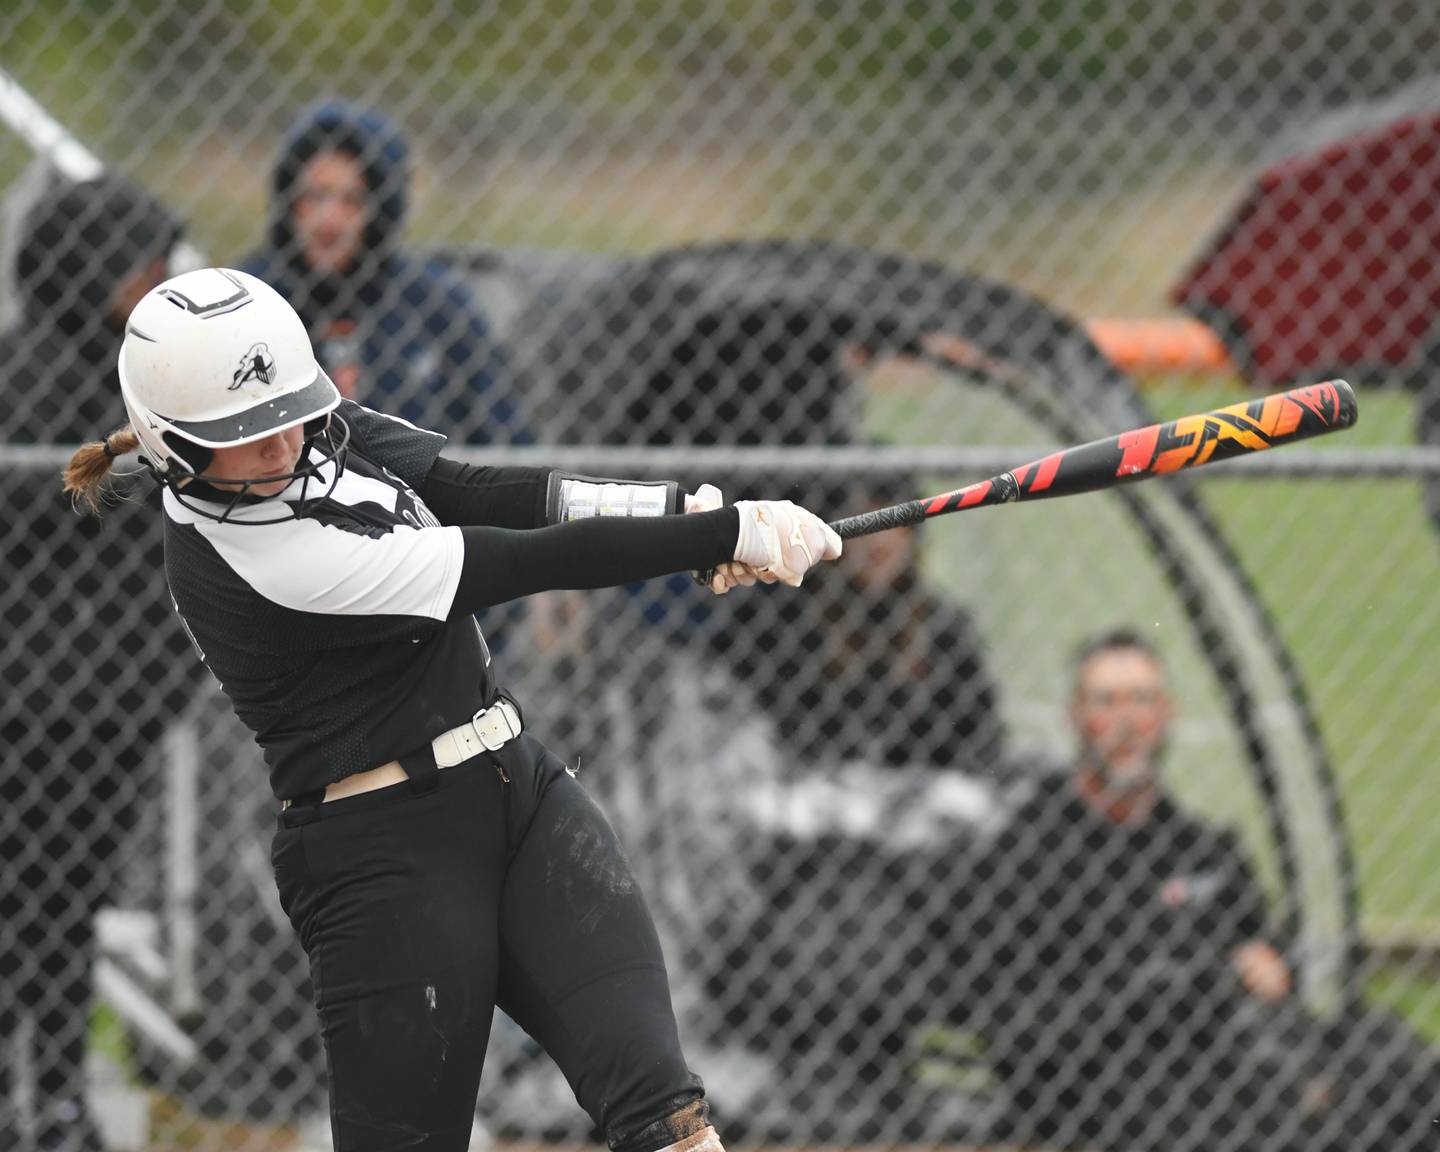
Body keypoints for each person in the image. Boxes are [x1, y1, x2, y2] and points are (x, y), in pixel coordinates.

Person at [61, 266, 842, 1152]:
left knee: (668, 1119)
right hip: (383, 863)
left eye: (287, 411)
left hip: (522, 798)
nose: (283, 444)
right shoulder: (252, 566)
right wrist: (717, 535)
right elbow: (512, 559)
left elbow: (484, 489)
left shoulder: (318, 432)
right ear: (176, 447)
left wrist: (686, 509)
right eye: (247, 433)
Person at [958, 629, 1438, 1151]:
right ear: (1075, 718)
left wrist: (1272, 966)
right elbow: (1015, 1022)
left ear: (1167, 716)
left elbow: (1270, 962)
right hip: (1112, 1087)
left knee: (1388, 1050)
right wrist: (1186, 985)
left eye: (1142, 701)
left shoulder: (1204, 848)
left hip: (1231, 1062)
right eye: (1106, 701)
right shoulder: (1029, 853)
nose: (1126, 721)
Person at [0, 169, 189, 1152]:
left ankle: (59, 1097)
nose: (155, 276)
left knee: (67, 901)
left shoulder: (145, 375)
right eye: (136, 262)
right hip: (30, 707)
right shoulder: (26, 372)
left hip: (112, 706)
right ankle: (35, 1094)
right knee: (31, 900)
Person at [239, 102, 524, 443]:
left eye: (352, 200)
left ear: (380, 211)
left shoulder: (434, 303)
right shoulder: (251, 299)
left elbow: (507, 436)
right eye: (314, 196)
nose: (328, 221)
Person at [709, 472, 1004, 771]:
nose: (876, 541)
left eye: (892, 525)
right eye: (862, 522)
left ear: (911, 540)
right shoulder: (789, 622)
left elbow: (980, 740)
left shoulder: (942, 628)